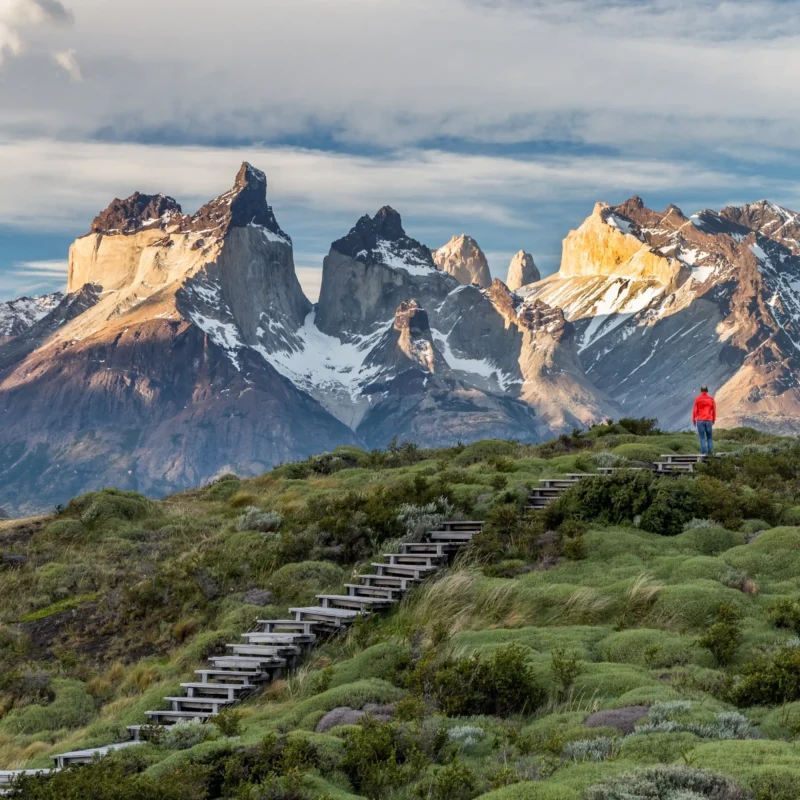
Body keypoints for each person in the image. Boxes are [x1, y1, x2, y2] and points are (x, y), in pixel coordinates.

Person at [692, 386, 716, 455]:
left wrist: (694, 419)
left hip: (700, 420)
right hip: (709, 420)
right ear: (707, 391)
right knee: (709, 438)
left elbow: (694, 411)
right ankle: (711, 453)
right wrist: (713, 419)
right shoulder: (711, 399)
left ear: (701, 391)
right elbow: (714, 410)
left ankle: (703, 453)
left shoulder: (697, 399)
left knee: (702, 437)